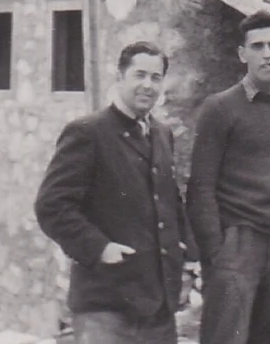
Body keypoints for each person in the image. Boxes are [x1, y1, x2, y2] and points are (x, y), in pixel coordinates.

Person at [35, 42, 191, 344]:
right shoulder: (87, 132)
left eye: (156, 77)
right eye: (139, 75)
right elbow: (51, 206)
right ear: (120, 77)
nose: (147, 85)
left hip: (158, 307)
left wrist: (186, 255)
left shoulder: (161, 134)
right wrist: (99, 248)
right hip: (105, 306)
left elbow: (169, 201)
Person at [188, 11, 270, 344]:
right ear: (242, 54)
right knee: (226, 337)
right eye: (257, 46)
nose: (267, 54)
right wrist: (216, 254)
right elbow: (201, 187)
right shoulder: (219, 109)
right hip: (239, 240)